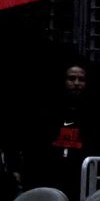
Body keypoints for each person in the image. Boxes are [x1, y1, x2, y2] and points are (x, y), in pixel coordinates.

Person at [41, 62, 91, 192]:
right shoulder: (48, 111)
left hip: (80, 176)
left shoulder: (92, 113)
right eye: (72, 78)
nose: (76, 83)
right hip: (51, 174)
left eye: (81, 79)